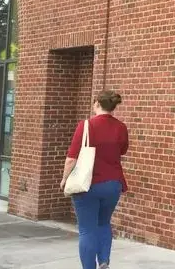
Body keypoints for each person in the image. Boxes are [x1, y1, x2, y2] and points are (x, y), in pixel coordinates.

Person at [60, 92, 129, 269]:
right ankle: (104, 261)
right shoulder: (121, 127)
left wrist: (64, 179)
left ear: (97, 103)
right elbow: (122, 151)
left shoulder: (86, 126)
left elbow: (71, 158)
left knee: (87, 230)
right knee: (104, 223)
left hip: (87, 185)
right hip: (113, 184)